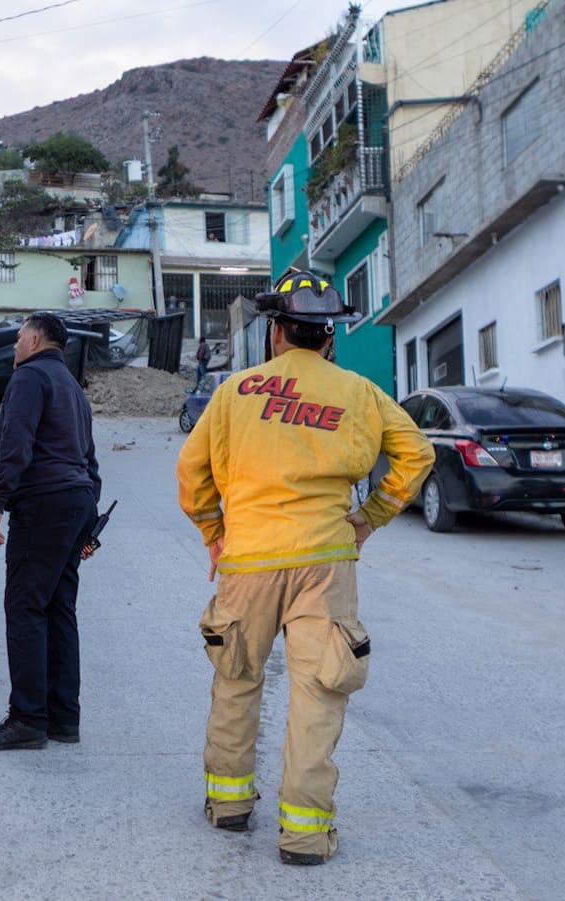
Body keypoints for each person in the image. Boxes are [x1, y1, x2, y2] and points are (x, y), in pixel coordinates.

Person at [175, 272, 434, 865]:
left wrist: (216, 534)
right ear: (329, 337)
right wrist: (370, 517)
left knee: (237, 678)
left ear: (276, 332)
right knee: (319, 693)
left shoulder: (234, 391)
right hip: (324, 564)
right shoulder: (359, 393)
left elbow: (192, 476)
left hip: (249, 561)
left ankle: (229, 805)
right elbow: (417, 453)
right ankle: (305, 836)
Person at [0, 312, 101, 750]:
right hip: (76, 502)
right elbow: (89, 457)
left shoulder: (29, 378)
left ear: (33, 340)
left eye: (18, 339)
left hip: (45, 504)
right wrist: (88, 512)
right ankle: (63, 720)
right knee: (59, 610)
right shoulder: (71, 386)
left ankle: (27, 719)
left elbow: (16, 445)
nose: (13, 347)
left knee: (26, 608)